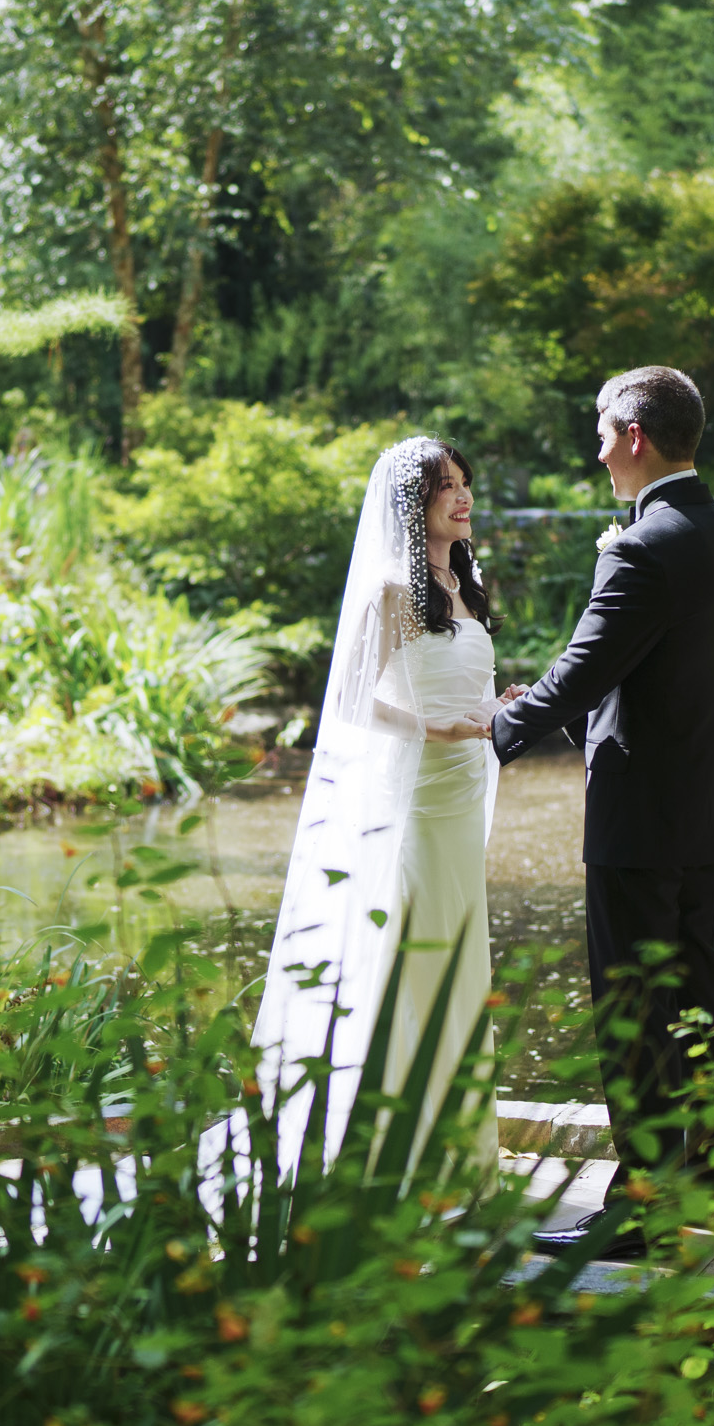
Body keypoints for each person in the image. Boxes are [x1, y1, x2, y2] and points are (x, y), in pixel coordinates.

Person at [490, 366, 714, 1258]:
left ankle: (639, 1208)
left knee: (636, 1014)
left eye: (603, 432)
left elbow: (588, 665)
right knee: (698, 1003)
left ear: (636, 436)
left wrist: (504, 727)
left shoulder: (643, 545)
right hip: (700, 809)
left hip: (639, 818)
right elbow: (656, 677)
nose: (597, 449)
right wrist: (567, 711)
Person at [250, 435, 518, 1178]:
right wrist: (432, 726)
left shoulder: (464, 587)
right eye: (446, 486)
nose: (463, 497)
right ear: (413, 502)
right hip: (416, 803)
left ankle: (459, 1154)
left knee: (460, 955)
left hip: (463, 795)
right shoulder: (391, 592)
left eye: (465, 482)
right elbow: (352, 705)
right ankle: (390, 1156)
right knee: (410, 955)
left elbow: (457, 691)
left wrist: (495, 707)